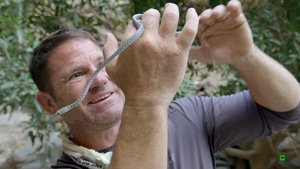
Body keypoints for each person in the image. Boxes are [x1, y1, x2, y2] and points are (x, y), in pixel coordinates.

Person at [29, 0, 300, 169]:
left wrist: (245, 56)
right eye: (77, 74)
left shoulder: (187, 115)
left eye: (102, 63)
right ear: (49, 103)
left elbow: (283, 110)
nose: (100, 79)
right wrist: (146, 98)